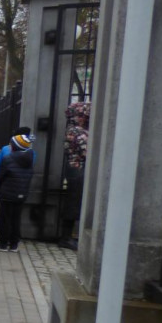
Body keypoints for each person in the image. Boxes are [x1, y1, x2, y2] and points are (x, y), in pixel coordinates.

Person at [0, 133, 35, 252]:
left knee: (5, 218)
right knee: (16, 219)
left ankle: (3, 243)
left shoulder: (8, 158)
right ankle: (14, 244)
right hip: (21, 193)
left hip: (7, 193)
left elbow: (1, 175)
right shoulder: (29, 159)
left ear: (14, 146)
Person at [60, 102, 90, 250]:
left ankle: (70, 235)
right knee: (74, 202)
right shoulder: (76, 131)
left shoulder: (78, 130)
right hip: (77, 170)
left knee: (76, 202)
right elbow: (87, 150)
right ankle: (66, 237)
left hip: (77, 169)